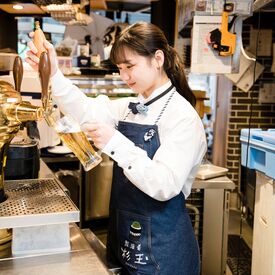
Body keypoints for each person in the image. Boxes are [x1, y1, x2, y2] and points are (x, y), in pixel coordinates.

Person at [26, 21, 206, 275]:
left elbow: (164, 184)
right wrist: (54, 73)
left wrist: (116, 142)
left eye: (130, 66)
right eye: (120, 69)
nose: (124, 76)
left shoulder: (182, 117)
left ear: (157, 59)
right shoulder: (129, 107)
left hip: (163, 248)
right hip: (125, 236)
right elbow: (86, 110)